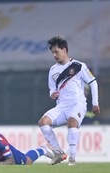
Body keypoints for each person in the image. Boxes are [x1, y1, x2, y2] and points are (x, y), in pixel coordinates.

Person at [38, 35, 100, 166]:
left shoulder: (78, 66)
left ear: (64, 50)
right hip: (61, 106)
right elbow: (51, 89)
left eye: (56, 52)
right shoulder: (53, 70)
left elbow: (93, 82)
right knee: (43, 122)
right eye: (52, 53)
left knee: (72, 123)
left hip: (77, 104)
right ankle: (58, 153)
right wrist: (52, 94)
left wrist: (95, 103)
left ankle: (72, 159)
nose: (54, 55)